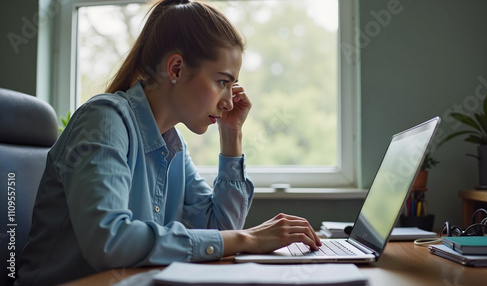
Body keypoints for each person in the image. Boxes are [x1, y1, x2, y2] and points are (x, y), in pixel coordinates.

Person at [15, 0, 321, 285]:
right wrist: (249, 240)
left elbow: (220, 230)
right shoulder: (104, 121)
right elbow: (110, 242)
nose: (229, 101)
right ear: (175, 69)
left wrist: (232, 136)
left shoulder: (173, 146)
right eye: (222, 82)